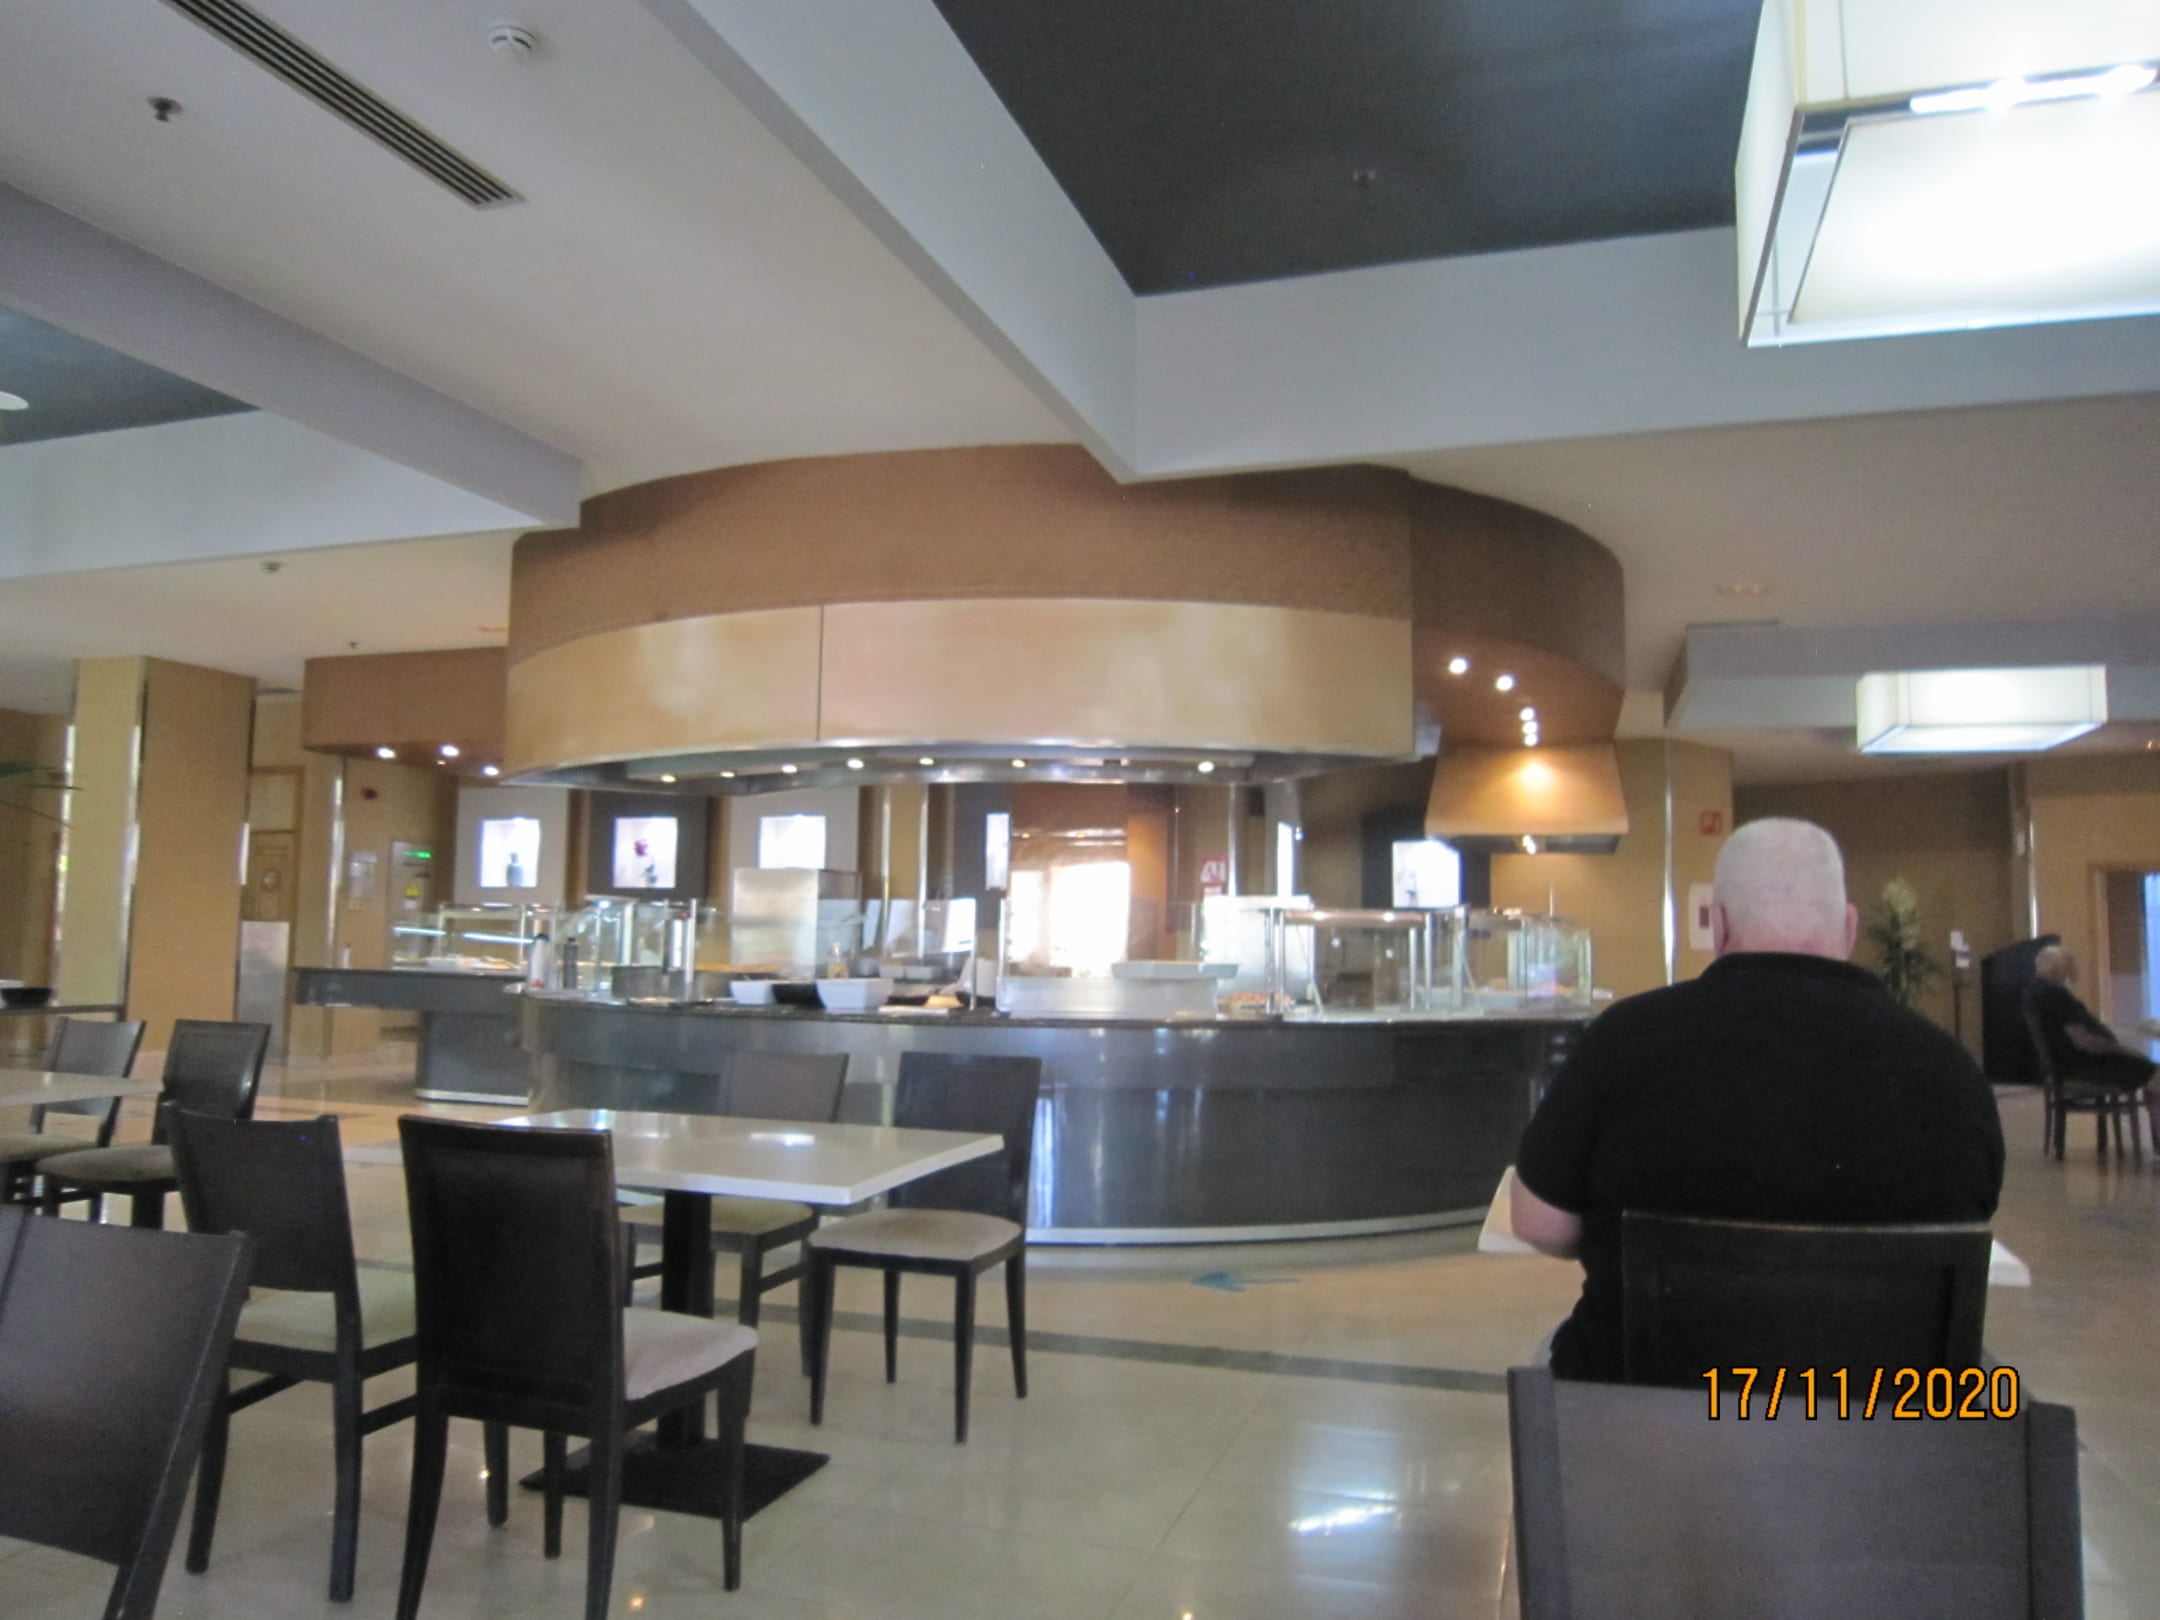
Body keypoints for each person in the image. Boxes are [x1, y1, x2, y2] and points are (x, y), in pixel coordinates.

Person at [1510, 817, 2004, 1382]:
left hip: (1649, 1415)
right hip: (1883, 1421)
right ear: (1848, 927)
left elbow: (1538, 1222)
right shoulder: (1950, 1069)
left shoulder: (1621, 1040)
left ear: (1718, 925)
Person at [2024, 944, 2158, 1133]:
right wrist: (2123, 1050)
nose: (2073, 974)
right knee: (2154, 1071)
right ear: (2060, 969)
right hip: (2084, 1067)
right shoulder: (2058, 995)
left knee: (2145, 1065)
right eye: (2070, 967)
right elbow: (2084, 1041)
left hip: (2066, 1066)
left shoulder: (2033, 994)